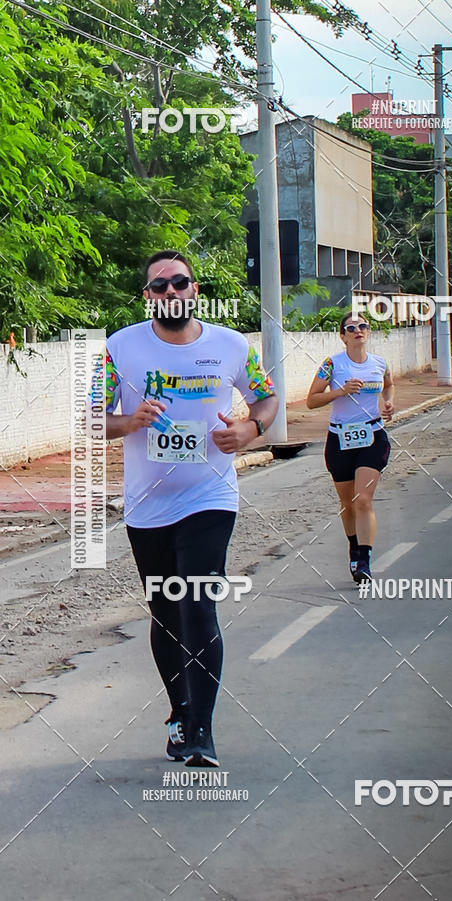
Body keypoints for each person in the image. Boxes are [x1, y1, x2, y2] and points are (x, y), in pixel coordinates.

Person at [103, 250, 278, 765]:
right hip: (147, 504)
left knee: (197, 600)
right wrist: (128, 422)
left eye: (179, 282)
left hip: (210, 495)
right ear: (147, 297)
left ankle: (201, 730)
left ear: (195, 289)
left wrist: (249, 429)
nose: (171, 292)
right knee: (165, 611)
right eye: (159, 286)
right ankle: (180, 711)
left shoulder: (231, 345)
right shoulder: (118, 348)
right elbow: (87, 418)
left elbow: (266, 398)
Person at [306, 312, 394, 583]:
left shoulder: (379, 363)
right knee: (348, 503)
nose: (359, 330)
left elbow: (389, 385)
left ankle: (365, 560)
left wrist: (388, 402)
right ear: (343, 336)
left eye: (363, 326)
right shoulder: (332, 364)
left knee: (363, 500)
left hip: (372, 436)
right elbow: (311, 401)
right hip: (340, 439)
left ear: (368, 332)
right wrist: (340, 391)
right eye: (351, 327)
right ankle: (354, 547)